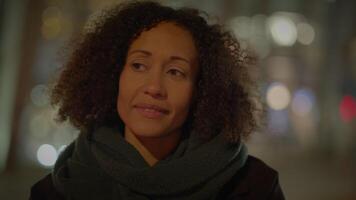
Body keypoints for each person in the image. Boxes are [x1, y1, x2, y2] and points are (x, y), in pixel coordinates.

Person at [30, 1, 285, 199]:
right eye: (139, 65)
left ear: (202, 90)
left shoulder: (254, 187)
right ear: (113, 75)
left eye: (175, 72)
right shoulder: (56, 191)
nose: (154, 87)